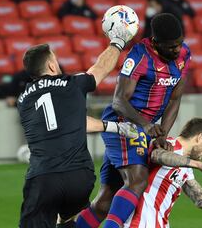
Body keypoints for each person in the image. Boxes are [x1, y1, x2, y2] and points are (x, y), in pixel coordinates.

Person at [76, 13, 191, 228]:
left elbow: (175, 98)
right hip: (123, 124)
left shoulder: (184, 54)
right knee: (137, 180)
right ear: (156, 43)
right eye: (171, 46)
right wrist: (146, 127)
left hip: (144, 128)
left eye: (179, 43)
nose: (176, 50)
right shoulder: (138, 57)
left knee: (106, 201)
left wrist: (161, 134)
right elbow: (119, 101)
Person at [17, 19, 134, 228]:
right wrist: (117, 41)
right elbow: (101, 68)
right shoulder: (72, 84)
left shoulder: (23, 100)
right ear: (52, 65)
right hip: (79, 176)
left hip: (44, 177)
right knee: (71, 221)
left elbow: (63, 122)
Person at [124, 118, 202, 227]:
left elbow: (201, 199)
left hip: (158, 223)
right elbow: (156, 155)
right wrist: (197, 164)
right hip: (139, 222)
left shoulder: (185, 166)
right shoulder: (168, 144)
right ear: (200, 137)